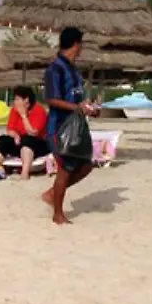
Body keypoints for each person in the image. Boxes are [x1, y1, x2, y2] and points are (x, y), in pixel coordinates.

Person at [41, 27, 98, 225]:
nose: (82, 48)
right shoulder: (54, 69)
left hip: (77, 126)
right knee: (65, 169)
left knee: (86, 165)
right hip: (58, 127)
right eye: (81, 44)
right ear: (76, 44)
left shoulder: (74, 70)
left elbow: (78, 98)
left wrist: (88, 106)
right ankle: (58, 214)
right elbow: (51, 99)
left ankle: (51, 194)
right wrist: (76, 107)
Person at [0, 86, 49, 181]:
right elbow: (10, 130)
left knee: (27, 139)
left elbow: (33, 133)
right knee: (3, 139)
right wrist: (15, 136)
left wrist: (24, 116)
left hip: (38, 144)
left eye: (17, 99)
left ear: (26, 100)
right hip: (21, 142)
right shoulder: (14, 110)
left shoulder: (38, 111)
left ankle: (25, 173)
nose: (14, 102)